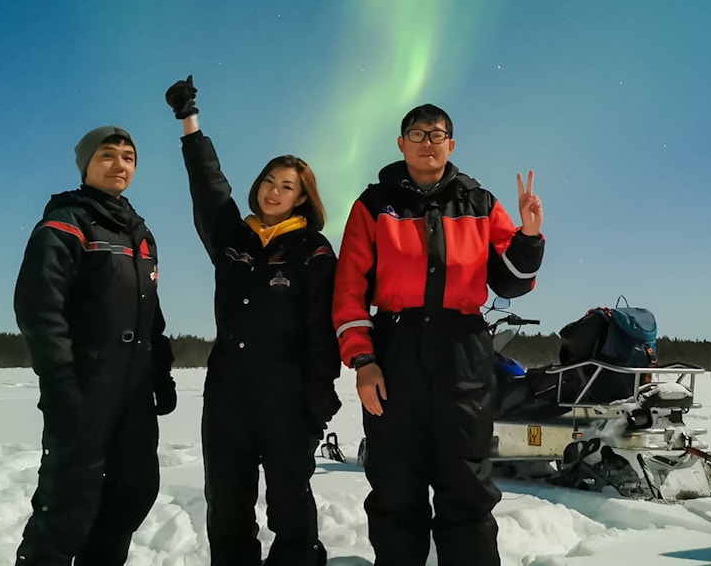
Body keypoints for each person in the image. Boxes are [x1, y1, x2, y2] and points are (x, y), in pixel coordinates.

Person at [332, 103, 545, 566]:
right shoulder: (373, 205)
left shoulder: (480, 202)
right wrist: (363, 361)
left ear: (452, 144)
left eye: (437, 134)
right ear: (400, 143)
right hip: (395, 348)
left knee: (466, 483)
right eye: (417, 133)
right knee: (394, 484)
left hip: (462, 350)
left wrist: (528, 236)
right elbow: (348, 289)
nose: (428, 142)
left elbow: (512, 281)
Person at [165, 76, 341, 566]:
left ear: (302, 198)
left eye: (287, 187)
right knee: (227, 505)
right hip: (227, 394)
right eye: (268, 181)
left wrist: (319, 396)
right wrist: (189, 123)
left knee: (290, 507)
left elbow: (321, 329)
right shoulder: (234, 239)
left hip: (287, 395)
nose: (273, 191)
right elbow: (209, 188)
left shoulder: (314, 250)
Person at [13, 125, 176, 566]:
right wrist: (60, 379)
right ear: (86, 165)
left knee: (131, 493)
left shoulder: (140, 235)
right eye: (107, 155)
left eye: (128, 157)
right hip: (85, 386)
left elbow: (151, 315)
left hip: (133, 393)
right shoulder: (66, 221)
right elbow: (39, 306)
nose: (119, 164)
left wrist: (159, 371)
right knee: (68, 504)